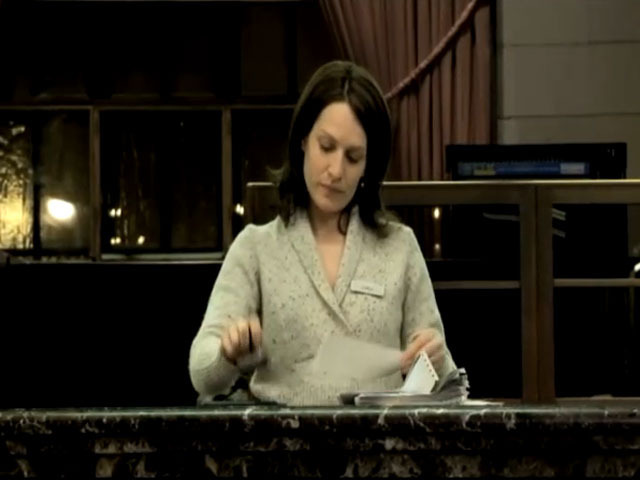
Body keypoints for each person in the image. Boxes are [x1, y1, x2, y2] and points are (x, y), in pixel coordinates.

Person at [189, 60, 457, 405]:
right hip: (280, 436)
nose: (336, 170)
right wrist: (228, 351)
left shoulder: (399, 247)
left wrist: (434, 357)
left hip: (381, 437)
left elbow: (445, 380)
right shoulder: (256, 248)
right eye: (326, 147)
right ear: (303, 140)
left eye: (353, 157)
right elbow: (201, 373)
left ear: (368, 165)